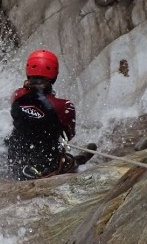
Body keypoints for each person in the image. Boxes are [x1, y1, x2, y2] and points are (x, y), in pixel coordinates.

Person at [6, 49, 94, 180]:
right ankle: (72, 163)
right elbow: (68, 134)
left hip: (15, 160)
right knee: (52, 150)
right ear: (54, 75)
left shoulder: (17, 95)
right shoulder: (64, 106)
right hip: (47, 164)